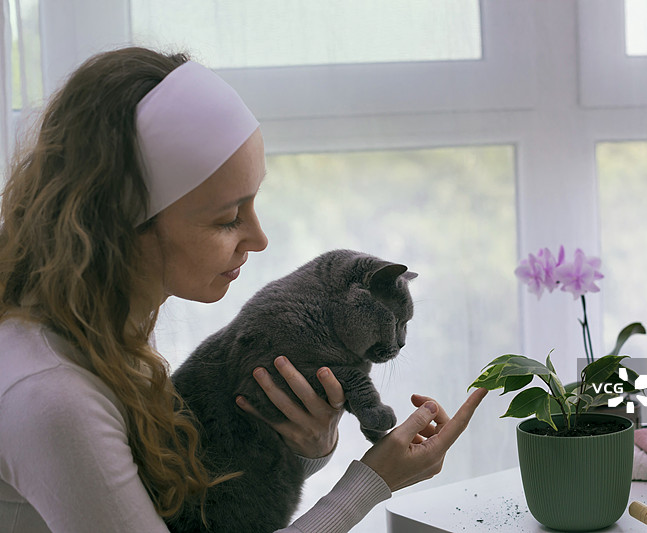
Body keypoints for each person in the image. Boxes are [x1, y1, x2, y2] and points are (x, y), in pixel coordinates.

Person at [0, 47, 488, 532]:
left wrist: (300, 447)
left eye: (253, 203)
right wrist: (372, 481)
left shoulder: (99, 326)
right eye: (228, 218)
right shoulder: (53, 396)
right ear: (124, 226)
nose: (258, 239)